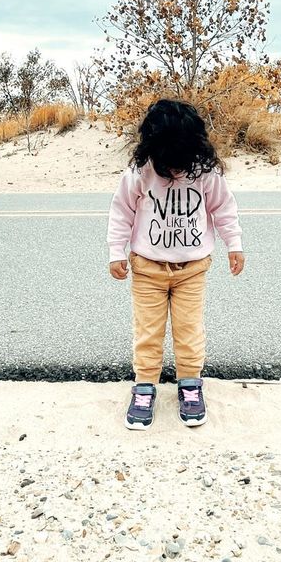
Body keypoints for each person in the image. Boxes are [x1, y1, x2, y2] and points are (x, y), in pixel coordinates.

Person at [107, 98, 245, 430]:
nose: (173, 171)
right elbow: (121, 211)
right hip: (147, 269)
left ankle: (190, 385)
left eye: (179, 163)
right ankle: (144, 387)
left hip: (192, 270)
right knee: (148, 332)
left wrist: (234, 244)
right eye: (166, 163)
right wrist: (116, 250)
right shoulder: (140, 172)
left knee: (188, 331)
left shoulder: (205, 172)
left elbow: (223, 209)